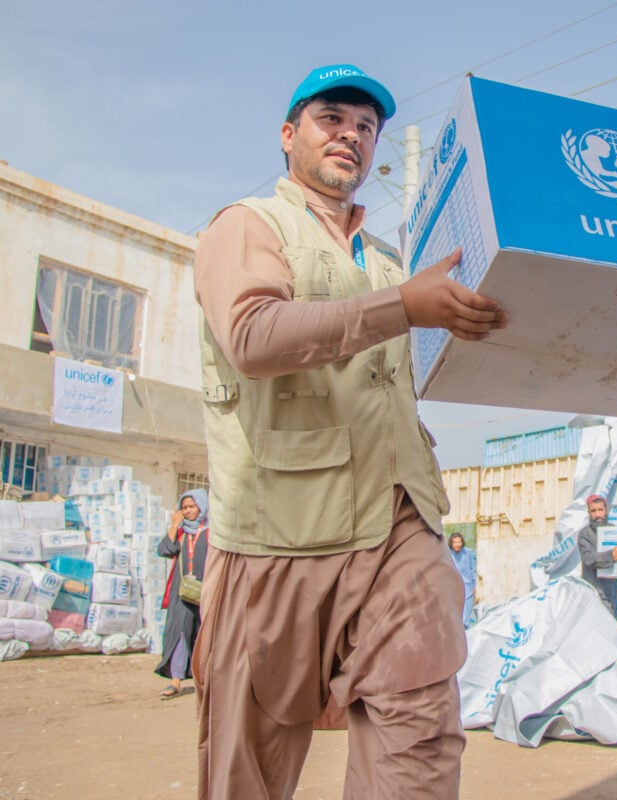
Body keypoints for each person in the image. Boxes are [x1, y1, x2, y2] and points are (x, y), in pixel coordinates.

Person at [190, 63, 508, 800]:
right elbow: (252, 336)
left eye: (366, 127)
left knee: (420, 729)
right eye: (332, 118)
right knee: (248, 761)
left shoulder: (391, 261)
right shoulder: (248, 225)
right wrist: (404, 306)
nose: (352, 135)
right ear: (288, 134)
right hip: (280, 531)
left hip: (399, 519)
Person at [155, 489, 210, 699]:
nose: (188, 511)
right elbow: (164, 550)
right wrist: (174, 525)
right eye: (184, 507)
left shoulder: (211, 532)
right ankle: (176, 680)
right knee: (179, 632)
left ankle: (207, 680)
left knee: (205, 633)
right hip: (182, 590)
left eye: (192, 507)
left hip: (207, 588)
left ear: (201, 506)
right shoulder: (181, 533)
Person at [577, 493, 617, 615]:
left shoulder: (615, 531)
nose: (597, 515)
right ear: (589, 513)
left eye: (600, 510)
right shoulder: (585, 534)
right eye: (593, 511)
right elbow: (588, 559)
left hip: (615, 594)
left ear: (606, 510)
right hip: (595, 594)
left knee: (613, 625)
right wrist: (611, 556)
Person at [447, 533, 477, 627]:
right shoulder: (447, 554)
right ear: (451, 543)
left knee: (467, 607)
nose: (457, 544)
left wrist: (475, 585)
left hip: (467, 585)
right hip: (452, 584)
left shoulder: (468, 553)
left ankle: (465, 626)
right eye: (455, 542)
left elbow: (473, 570)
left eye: (459, 542)